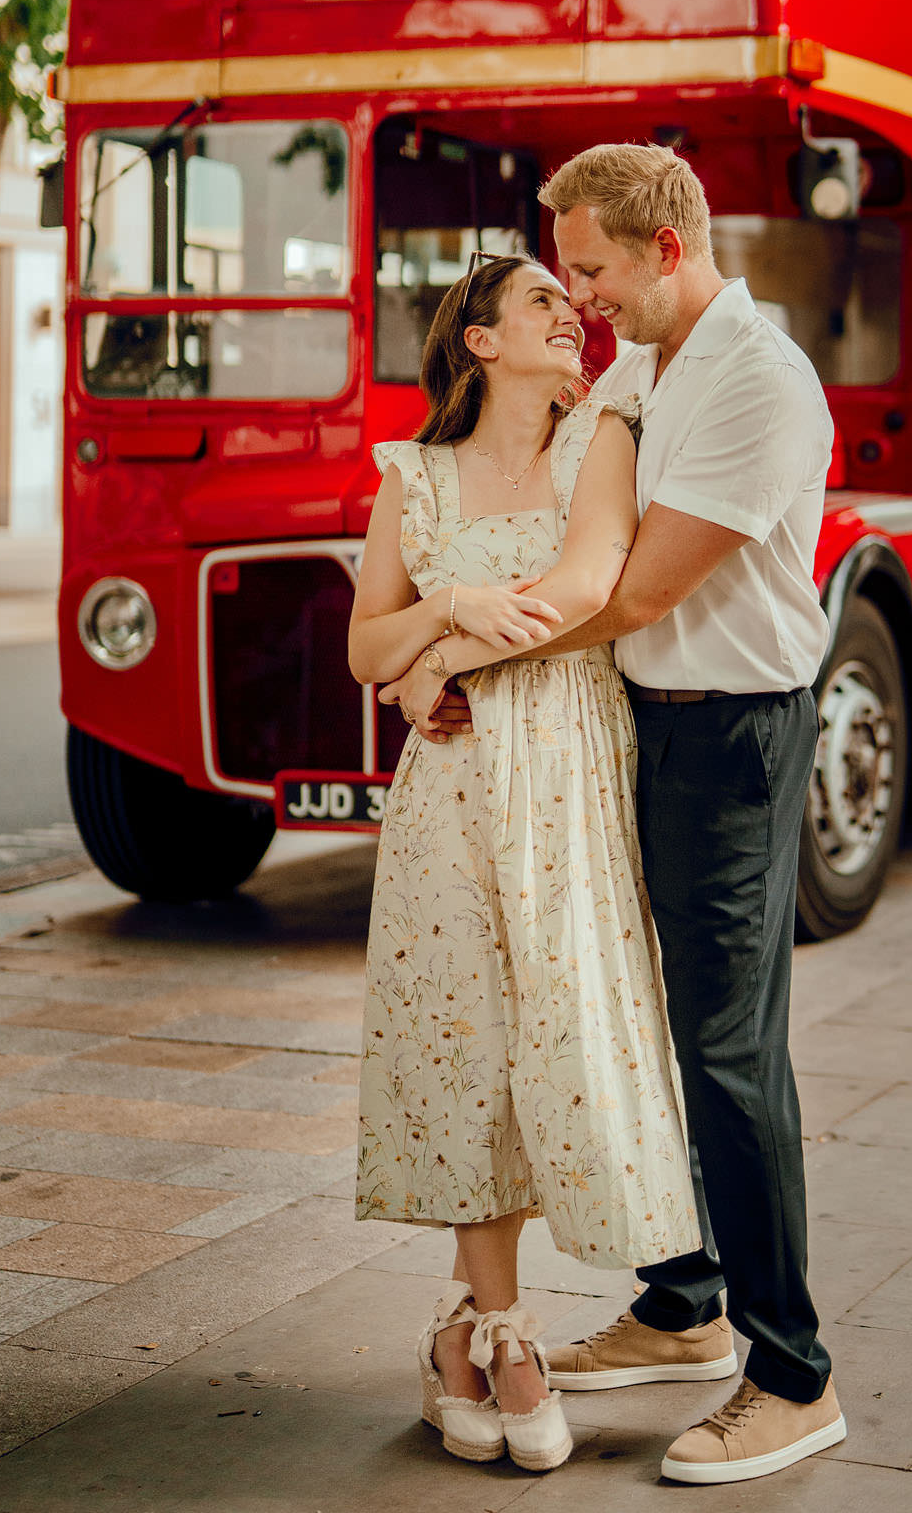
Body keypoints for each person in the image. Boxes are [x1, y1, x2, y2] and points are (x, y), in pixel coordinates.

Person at [386, 143, 847, 1486]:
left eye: (590, 268)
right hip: (643, 728)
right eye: (563, 276)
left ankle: (791, 1373)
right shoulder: (652, 365)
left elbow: (633, 592)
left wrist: (440, 661)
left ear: (664, 248)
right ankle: (682, 1304)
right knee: (624, 1015)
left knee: (722, 1050)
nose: (579, 297)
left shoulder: (757, 384)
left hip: (729, 737)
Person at [349, 251, 701, 1475]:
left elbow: (585, 582)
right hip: (448, 792)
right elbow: (363, 643)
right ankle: (501, 1334)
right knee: (466, 1040)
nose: (573, 312)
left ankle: (461, 1330)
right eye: (542, 300)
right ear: (480, 340)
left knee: (549, 1036)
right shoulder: (416, 474)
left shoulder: (598, 431)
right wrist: (440, 617)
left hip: (565, 770)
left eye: (575, 295)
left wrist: (439, 663)